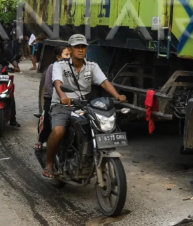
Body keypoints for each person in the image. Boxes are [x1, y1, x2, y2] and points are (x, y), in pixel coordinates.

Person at [42, 34, 126, 179]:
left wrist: (117, 95)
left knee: (98, 127)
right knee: (58, 130)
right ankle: (49, 163)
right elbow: (57, 82)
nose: (80, 50)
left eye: (83, 47)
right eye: (76, 47)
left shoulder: (92, 66)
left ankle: (88, 157)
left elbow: (104, 82)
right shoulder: (59, 65)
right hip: (62, 105)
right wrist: (63, 96)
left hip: (84, 105)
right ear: (70, 49)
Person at [35, 46, 72, 150]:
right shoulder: (52, 67)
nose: (69, 57)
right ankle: (41, 140)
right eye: (66, 55)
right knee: (47, 119)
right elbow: (48, 85)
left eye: (70, 55)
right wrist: (59, 97)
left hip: (70, 100)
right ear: (58, 57)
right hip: (52, 98)